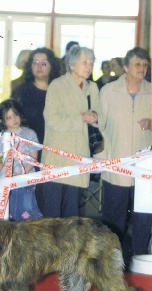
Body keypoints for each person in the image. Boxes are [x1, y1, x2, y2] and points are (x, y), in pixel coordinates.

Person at [98, 47, 152, 257]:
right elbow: (100, 124)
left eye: (145, 64)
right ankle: (111, 258)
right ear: (126, 67)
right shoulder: (109, 91)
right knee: (113, 217)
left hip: (144, 167)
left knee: (143, 215)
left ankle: (140, 256)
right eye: (138, 64)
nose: (142, 68)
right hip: (116, 164)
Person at [41, 45, 99, 218]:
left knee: (72, 214)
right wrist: (80, 119)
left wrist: (95, 116)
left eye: (91, 62)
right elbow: (51, 119)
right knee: (52, 214)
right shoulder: (57, 86)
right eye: (85, 62)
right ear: (72, 65)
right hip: (57, 158)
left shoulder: (93, 88)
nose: (89, 66)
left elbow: (101, 117)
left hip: (79, 156)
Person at [11, 47, 60, 212]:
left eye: (44, 63)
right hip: (29, 153)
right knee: (29, 205)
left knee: (51, 202)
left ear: (51, 66)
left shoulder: (59, 90)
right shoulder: (21, 91)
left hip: (54, 151)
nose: (39, 66)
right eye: (35, 63)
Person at [0, 99, 42, 221]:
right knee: (9, 210)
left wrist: (22, 173)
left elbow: (34, 157)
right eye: (9, 117)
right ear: (2, 121)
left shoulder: (29, 134)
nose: (14, 119)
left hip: (26, 179)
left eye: (16, 115)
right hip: (7, 180)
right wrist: (8, 174)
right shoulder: (0, 137)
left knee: (27, 207)